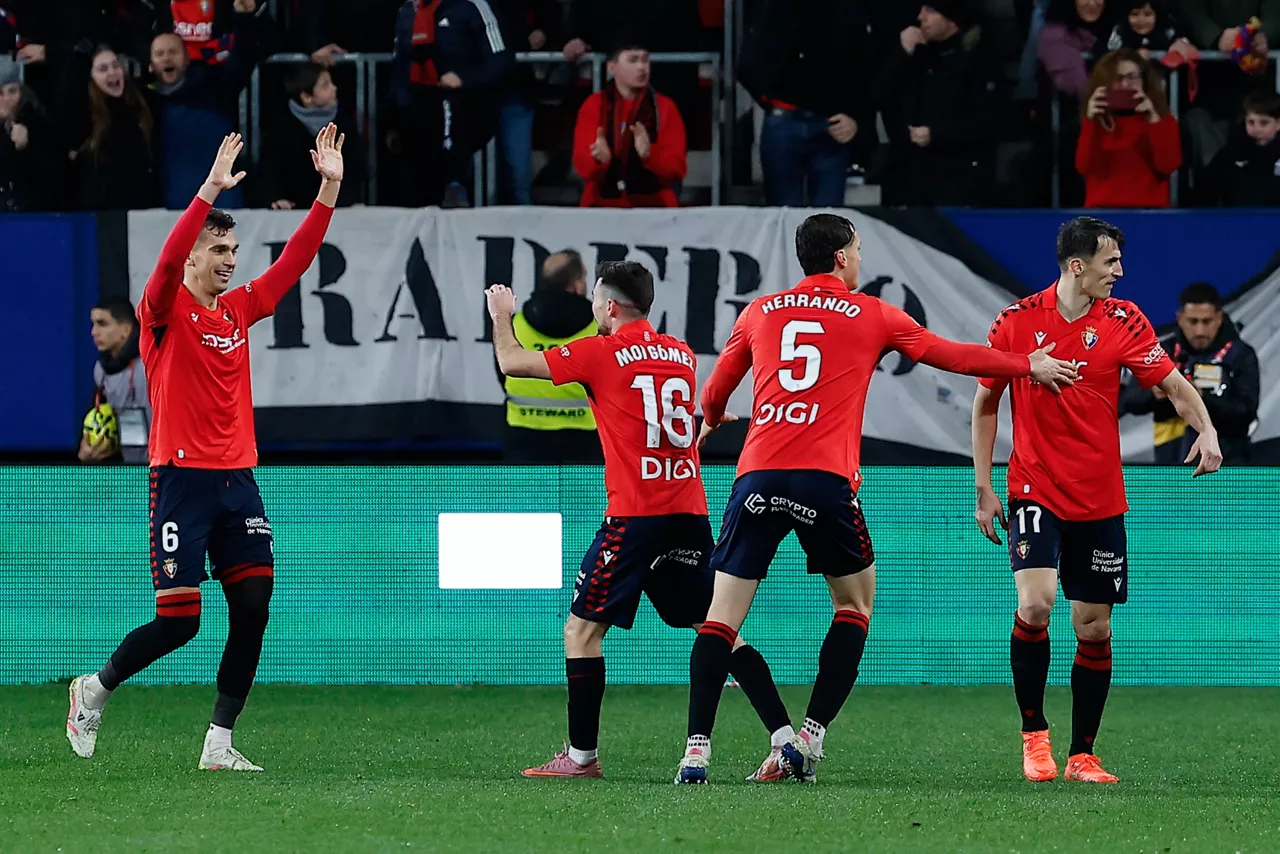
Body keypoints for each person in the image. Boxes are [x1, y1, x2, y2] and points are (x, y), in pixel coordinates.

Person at [675, 214, 1081, 785]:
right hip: (823, 483)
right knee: (854, 607)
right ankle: (809, 740)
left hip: (758, 478)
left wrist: (713, 419)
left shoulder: (759, 312)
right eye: (858, 249)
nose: (861, 259)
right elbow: (953, 356)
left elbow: (715, 391)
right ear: (841, 257)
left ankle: (696, 754)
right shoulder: (872, 313)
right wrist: (1026, 363)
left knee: (720, 620)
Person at [65, 125, 346, 771]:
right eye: (217, 248)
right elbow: (162, 267)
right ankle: (94, 689)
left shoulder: (238, 309)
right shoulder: (161, 311)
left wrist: (328, 187)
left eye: (232, 249)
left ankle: (219, 744)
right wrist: (207, 191)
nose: (228, 259)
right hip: (180, 480)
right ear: (190, 255)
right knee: (181, 620)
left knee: (253, 605)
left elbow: (295, 262)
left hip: (237, 480)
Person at [485, 262, 793, 781]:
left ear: (607, 306)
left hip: (635, 516)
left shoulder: (598, 352)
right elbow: (661, 426)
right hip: (688, 513)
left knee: (581, 632)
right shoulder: (681, 354)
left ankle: (581, 758)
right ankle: (785, 741)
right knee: (717, 629)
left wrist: (502, 315)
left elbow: (512, 362)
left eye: (595, 304)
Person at [972, 217, 1223, 786]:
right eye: (1111, 261)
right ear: (1077, 265)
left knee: (1093, 628)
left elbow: (1176, 387)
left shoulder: (1124, 319)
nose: (1121, 271)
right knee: (1036, 603)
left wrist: (1205, 430)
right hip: (1033, 486)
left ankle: (1083, 753)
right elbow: (985, 402)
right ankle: (1034, 736)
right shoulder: (1015, 322)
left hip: (1100, 495)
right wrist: (985, 486)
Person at [737, 0, 870, 207]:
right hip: (785, 121)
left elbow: (864, 67)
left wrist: (854, 117)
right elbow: (748, 64)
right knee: (784, 218)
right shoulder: (775, 6)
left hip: (832, 126)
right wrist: (771, 100)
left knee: (829, 226)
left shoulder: (847, 8)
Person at [875, 0, 1005, 207]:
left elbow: (991, 122)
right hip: (912, 175)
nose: (920, 18)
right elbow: (881, 95)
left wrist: (937, 134)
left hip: (959, 179)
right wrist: (902, 53)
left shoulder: (978, 61)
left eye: (930, 11)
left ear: (951, 20)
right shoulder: (917, 55)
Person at [1119, 282, 1259, 464]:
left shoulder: (1241, 355)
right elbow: (1127, 401)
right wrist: (1154, 393)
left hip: (1227, 467)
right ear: (1180, 318)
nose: (1200, 330)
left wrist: (1201, 398)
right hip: (1171, 466)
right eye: (1193, 322)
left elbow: (1246, 412)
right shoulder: (1162, 352)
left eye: (1206, 321)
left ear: (1219, 317)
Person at [148, 12, 258, 211]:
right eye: (160, 54)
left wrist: (244, 16)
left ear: (187, 58)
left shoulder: (215, 89)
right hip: (169, 210)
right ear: (150, 63)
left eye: (173, 52)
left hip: (223, 205)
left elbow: (244, 58)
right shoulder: (147, 103)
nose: (167, 58)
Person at [502, 251, 602, 463]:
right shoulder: (598, 328)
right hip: (585, 439)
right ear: (576, 284)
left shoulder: (516, 324)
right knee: (581, 498)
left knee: (526, 497)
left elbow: (503, 369)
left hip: (525, 436)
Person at [573, 43, 686, 208]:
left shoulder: (665, 107)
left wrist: (649, 154)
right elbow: (582, 166)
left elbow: (677, 169)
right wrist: (598, 160)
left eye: (645, 60)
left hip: (655, 209)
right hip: (601, 207)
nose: (642, 67)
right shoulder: (594, 105)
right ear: (612, 67)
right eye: (633, 60)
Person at [1076, 48, 1181, 208]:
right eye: (1118, 78)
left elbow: (1168, 165)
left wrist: (1153, 119)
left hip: (1149, 212)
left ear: (1144, 80)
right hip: (1102, 213)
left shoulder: (1163, 119)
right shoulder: (1096, 121)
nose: (1125, 84)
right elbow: (1085, 167)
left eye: (1132, 77)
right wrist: (1091, 122)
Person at [264, 62, 363, 209]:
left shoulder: (344, 122)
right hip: (293, 211)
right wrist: (278, 199)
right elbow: (270, 170)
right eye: (325, 86)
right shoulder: (282, 127)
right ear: (306, 97)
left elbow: (354, 167)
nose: (334, 88)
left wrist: (348, 201)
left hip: (337, 210)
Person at [74, 46, 158, 211]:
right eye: (103, 69)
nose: (112, 72)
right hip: (102, 213)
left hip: (142, 209)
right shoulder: (85, 116)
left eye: (115, 65)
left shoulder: (142, 106)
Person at [82, 297, 151, 464]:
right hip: (126, 466)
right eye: (93, 324)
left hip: (162, 468)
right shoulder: (100, 370)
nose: (94, 332)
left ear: (126, 330)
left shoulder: (150, 367)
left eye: (102, 324)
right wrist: (88, 447)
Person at [0, 54, 60, 211]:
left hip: (33, 214)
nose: (6, 99)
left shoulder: (39, 124)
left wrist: (25, 148)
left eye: (12, 91)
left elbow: (54, 176)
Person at [1204, 87, 1280, 206]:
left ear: (1278, 124)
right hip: (1236, 222)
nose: (1256, 129)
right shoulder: (1231, 154)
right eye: (1251, 122)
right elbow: (1205, 194)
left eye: (1264, 123)